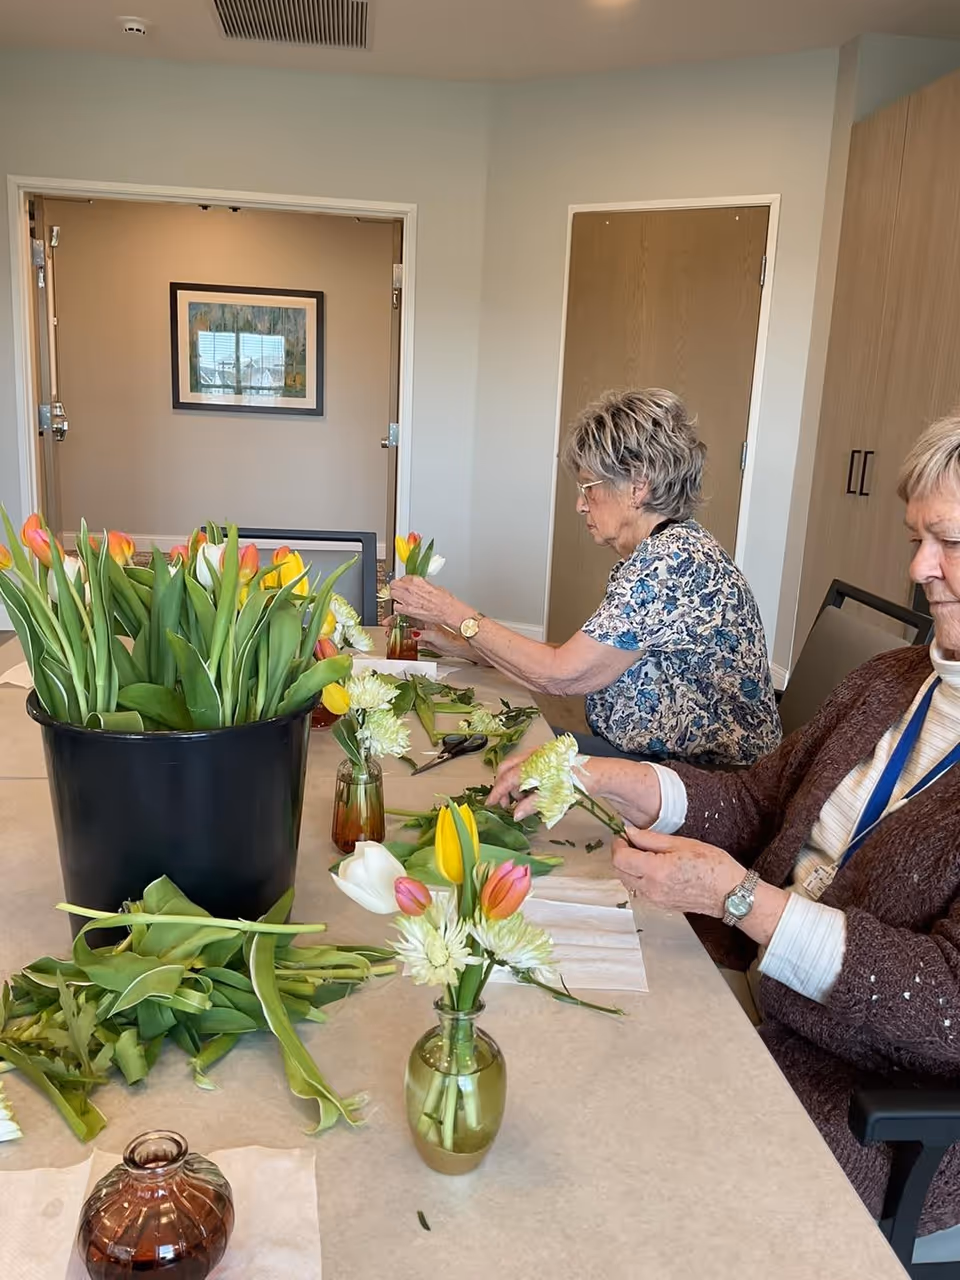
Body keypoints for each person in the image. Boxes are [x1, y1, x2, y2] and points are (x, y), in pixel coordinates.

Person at [490, 410, 960, 1238]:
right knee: (541, 1036)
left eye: (948, 541)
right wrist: (599, 772)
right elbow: (756, 801)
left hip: (864, 1093)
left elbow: (947, 1008)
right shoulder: (893, 680)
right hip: (756, 991)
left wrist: (746, 902)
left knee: (593, 1163)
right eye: (917, 537)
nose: (920, 567)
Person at [391, 388, 780, 767]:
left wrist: (451, 610)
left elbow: (560, 674)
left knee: (494, 757)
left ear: (637, 487)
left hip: (700, 781)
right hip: (656, 758)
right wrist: (465, 647)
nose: (580, 504)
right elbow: (589, 661)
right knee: (490, 742)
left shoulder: (670, 563)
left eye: (588, 488)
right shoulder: (667, 550)